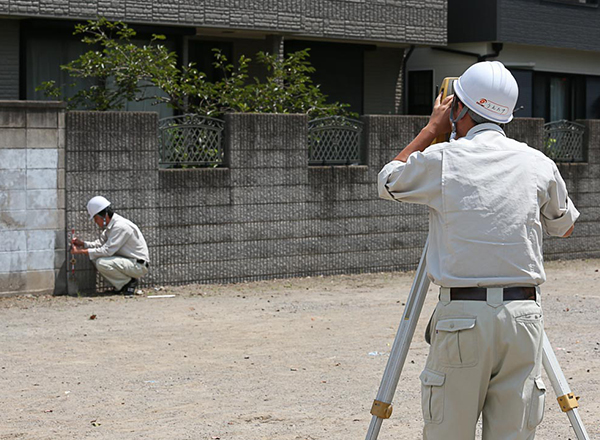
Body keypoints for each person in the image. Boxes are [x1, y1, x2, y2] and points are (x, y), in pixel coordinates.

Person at [378, 61, 579, 440]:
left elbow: (388, 180)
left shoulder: (442, 161)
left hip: (462, 319)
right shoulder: (538, 162)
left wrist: (431, 129)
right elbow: (564, 227)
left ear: (458, 108)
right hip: (523, 318)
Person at [71, 196, 150, 295]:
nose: (95, 222)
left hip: (138, 265)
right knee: (96, 258)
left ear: (104, 216)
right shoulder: (111, 226)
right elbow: (99, 244)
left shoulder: (120, 227)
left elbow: (107, 251)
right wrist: (83, 244)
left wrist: (80, 252)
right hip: (129, 262)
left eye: (96, 218)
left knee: (102, 262)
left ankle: (127, 283)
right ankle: (123, 285)